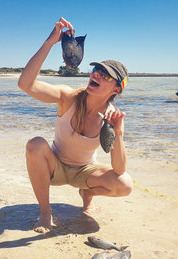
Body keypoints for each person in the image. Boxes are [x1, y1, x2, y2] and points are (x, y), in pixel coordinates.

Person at [18, 17, 133, 234]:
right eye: (96, 70)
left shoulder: (110, 116)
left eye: (105, 75)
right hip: (55, 167)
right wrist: (49, 43)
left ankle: (86, 194)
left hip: (85, 171)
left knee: (125, 184)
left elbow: (119, 170)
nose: (96, 73)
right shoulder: (68, 97)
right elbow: (25, 84)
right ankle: (45, 212)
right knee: (35, 144)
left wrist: (118, 133)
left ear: (116, 89)